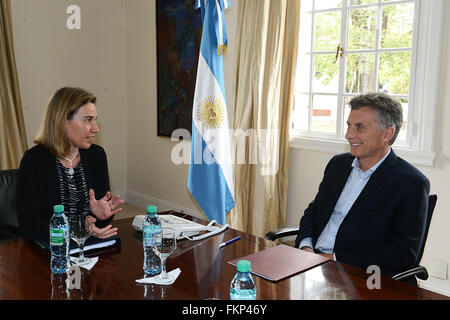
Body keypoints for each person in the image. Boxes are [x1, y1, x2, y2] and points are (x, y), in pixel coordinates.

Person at [295, 92, 430, 282]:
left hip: (359, 275)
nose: (348, 134)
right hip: (311, 264)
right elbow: (314, 210)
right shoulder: (338, 165)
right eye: (349, 126)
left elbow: (403, 253)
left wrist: (333, 259)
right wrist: (306, 247)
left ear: (387, 134)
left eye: (359, 127)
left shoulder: (410, 182)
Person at [17, 87, 123, 239]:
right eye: (88, 120)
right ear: (63, 121)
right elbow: (29, 224)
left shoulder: (96, 155)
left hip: (87, 246)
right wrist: (78, 227)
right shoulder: (34, 160)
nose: (96, 128)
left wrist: (102, 216)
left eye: (95, 119)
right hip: (50, 247)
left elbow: (100, 221)